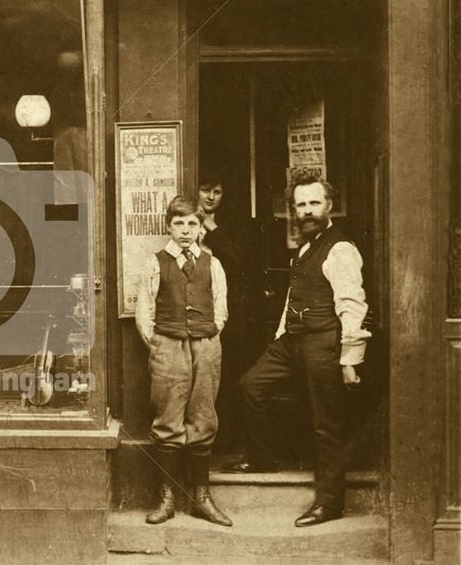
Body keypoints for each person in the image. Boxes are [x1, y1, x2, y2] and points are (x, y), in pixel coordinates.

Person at [225, 171, 369, 527]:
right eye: (301, 204)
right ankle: (263, 457)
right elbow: (293, 296)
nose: (307, 210)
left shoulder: (341, 249)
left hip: (323, 341)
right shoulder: (305, 248)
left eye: (314, 203)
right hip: (291, 340)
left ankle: (330, 502)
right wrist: (279, 335)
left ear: (329, 206)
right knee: (250, 386)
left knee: (326, 422)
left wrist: (350, 359)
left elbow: (353, 305)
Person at [136, 196, 232, 527]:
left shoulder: (211, 263)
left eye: (192, 223)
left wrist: (208, 334)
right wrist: (163, 343)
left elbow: (221, 307)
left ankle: (201, 497)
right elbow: (145, 312)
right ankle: (167, 498)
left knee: (203, 417)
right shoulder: (155, 262)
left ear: (201, 227)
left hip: (205, 345)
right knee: (167, 420)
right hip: (168, 346)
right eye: (179, 223)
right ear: (168, 226)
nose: (186, 230)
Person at [197, 172, 263, 455]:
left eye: (217, 191)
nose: (211, 197)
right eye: (205, 189)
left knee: (226, 378)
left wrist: (212, 227)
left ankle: (226, 442)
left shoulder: (229, 226)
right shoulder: (186, 223)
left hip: (228, 314)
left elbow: (241, 264)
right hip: (196, 309)